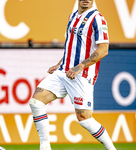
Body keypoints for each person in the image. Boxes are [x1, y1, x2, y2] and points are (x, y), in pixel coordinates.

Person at [29, 0, 117, 150]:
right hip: (63, 71)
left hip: (81, 76)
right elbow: (72, 45)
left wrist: (80, 66)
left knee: (84, 119)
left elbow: (103, 50)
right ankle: (45, 147)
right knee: (36, 102)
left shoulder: (98, 19)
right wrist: (59, 63)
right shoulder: (73, 15)